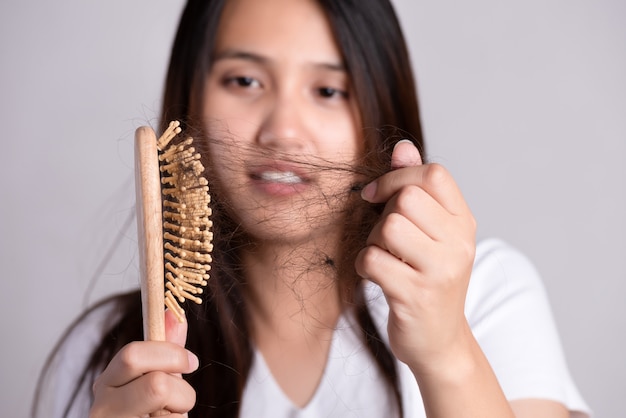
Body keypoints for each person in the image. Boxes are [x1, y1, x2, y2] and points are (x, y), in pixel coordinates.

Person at [33, 0, 591, 417]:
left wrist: (447, 351)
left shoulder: (488, 295)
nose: (283, 131)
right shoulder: (110, 354)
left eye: (328, 90)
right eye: (245, 80)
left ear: (379, 106)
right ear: (190, 101)